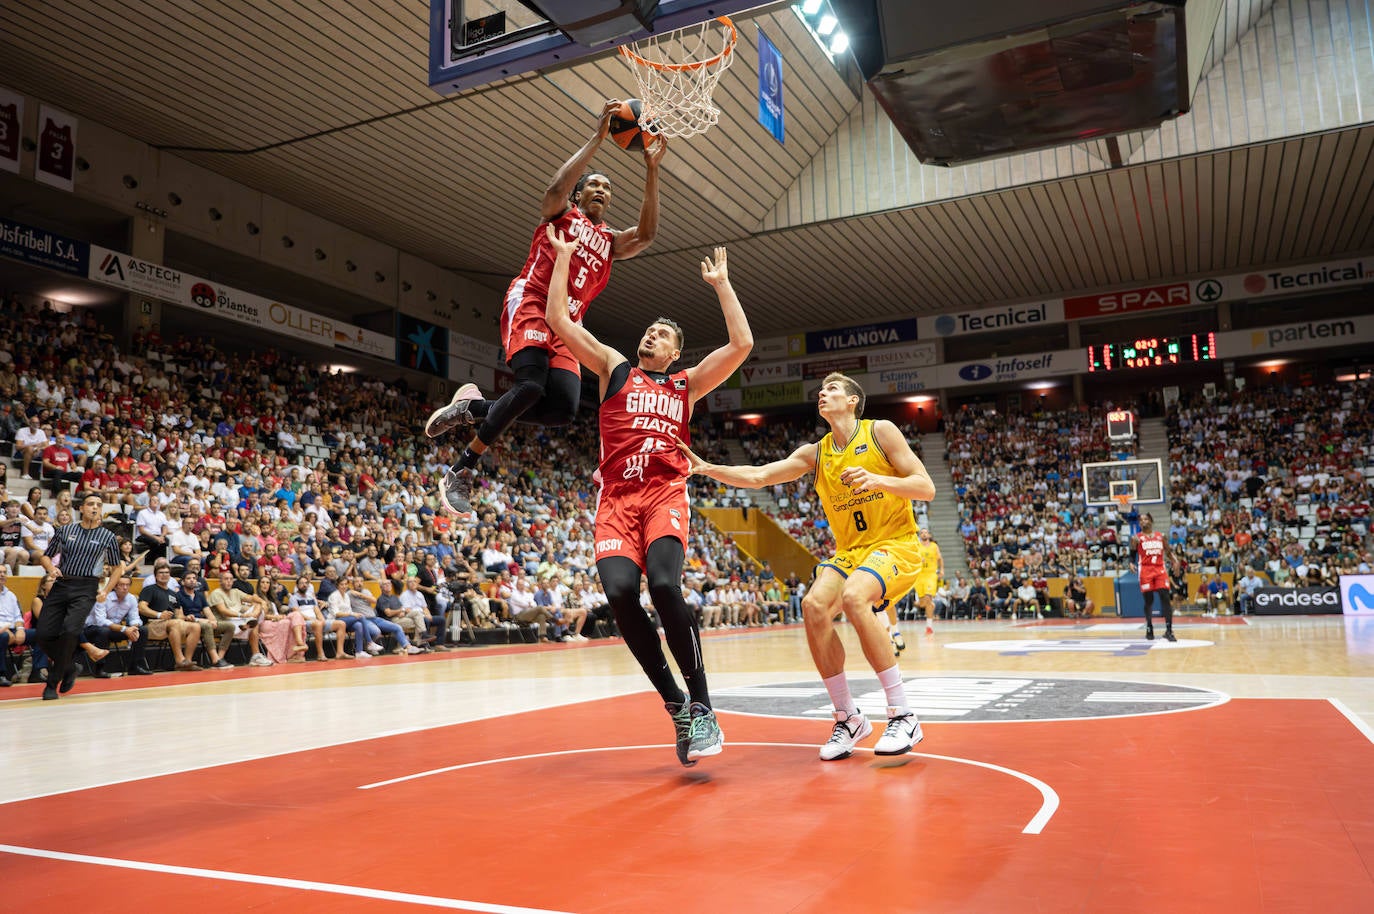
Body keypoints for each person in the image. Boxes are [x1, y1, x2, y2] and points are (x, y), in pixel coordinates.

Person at [543, 225, 752, 766]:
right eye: (650, 331)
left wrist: (722, 284)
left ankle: (703, 707)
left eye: (663, 335)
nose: (652, 336)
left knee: (663, 584)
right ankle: (677, 706)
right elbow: (560, 321)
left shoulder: (686, 385)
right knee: (618, 594)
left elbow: (742, 345)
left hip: (663, 494)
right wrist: (563, 259)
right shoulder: (614, 368)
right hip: (615, 500)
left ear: (677, 351)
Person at [426, 101, 668, 516]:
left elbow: (646, 235)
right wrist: (597, 137)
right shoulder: (562, 213)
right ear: (579, 193)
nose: (602, 191)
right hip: (533, 301)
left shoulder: (609, 241)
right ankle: (463, 468)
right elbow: (555, 189)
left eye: (608, 189)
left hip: (567, 323)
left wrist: (651, 167)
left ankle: (472, 409)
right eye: (595, 185)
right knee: (531, 386)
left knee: (560, 410)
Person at [677, 372, 935, 761]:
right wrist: (707, 468)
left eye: (832, 389)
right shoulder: (816, 453)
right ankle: (848, 718)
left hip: (895, 543)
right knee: (813, 607)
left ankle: (903, 713)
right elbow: (761, 476)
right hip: (851, 551)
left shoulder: (880, 431)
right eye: (821, 390)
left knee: (853, 597)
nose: (822, 394)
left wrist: (877, 479)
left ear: (852, 401)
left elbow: (925, 486)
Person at [37, 493, 131, 700]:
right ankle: (69, 668)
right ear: (81, 508)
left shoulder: (107, 536)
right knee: (43, 634)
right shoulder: (65, 530)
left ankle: (53, 681)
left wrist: (106, 590)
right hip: (62, 584)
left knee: (70, 631)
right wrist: (50, 568)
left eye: (98, 504)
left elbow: (117, 568)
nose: (94, 508)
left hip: (86, 587)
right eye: (90, 504)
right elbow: (45, 555)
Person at [1132, 512, 1175, 641]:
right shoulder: (1136, 538)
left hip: (1159, 569)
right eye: (1141, 520)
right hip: (1145, 570)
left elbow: (1168, 551)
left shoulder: (1161, 536)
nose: (1143, 521)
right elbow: (1132, 553)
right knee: (1149, 600)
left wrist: (1175, 560)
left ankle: (1169, 630)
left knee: (1165, 598)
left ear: (1151, 521)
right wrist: (1130, 563)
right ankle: (1149, 626)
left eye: (1145, 519)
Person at [914, 527, 944, 637]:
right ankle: (924, 604)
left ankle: (929, 627)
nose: (924, 534)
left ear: (929, 535)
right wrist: (917, 560)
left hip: (931, 575)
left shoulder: (934, 546)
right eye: (922, 533)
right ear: (920, 536)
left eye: (925, 532)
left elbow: (940, 559)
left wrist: (941, 570)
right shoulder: (917, 546)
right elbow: (911, 558)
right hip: (919, 576)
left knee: (928, 597)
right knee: (923, 603)